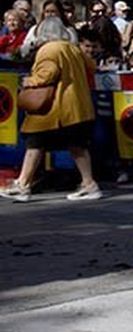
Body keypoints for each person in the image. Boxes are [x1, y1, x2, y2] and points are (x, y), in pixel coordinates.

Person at [1, 16, 101, 202]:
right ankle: (89, 185)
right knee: (76, 146)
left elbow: (47, 75)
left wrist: (28, 81)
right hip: (77, 107)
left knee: (35, 142)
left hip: (54, 109)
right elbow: (92, 67)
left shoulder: (48, 50)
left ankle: (23, 185)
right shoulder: (73, 48)